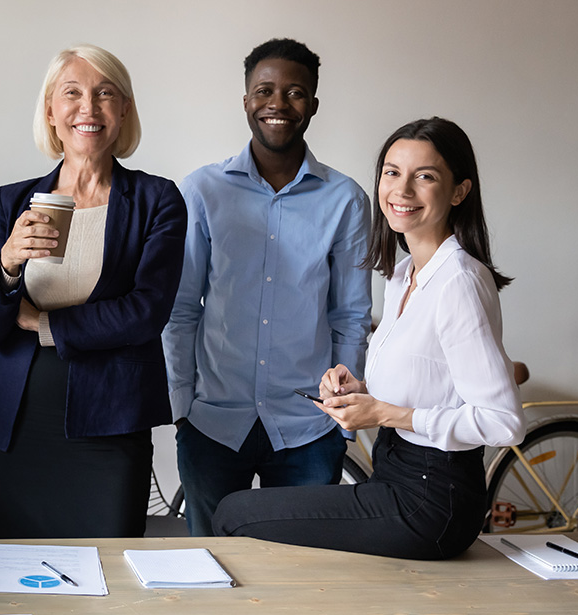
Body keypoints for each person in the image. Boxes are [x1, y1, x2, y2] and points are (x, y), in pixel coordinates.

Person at [212, 117, 526, 559]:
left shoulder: (458, 282)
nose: (402, 190)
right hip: (397, 476)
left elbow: (502, 422)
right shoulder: (404, 274)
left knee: (234, 514)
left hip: (432, 500)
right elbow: (431, 384)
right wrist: (360, 393)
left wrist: (384, 412)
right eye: (392, 173)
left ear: (459, 192)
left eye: (426, 176)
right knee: (243, 515)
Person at [0, 44, 186, 538]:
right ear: (50, 110)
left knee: (110, 576)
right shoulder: (10, 201)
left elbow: (146, 312)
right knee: (23, 575)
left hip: (110, 421)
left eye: (105, 93)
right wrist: (7, 263)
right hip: (17, 422)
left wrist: (42, 322)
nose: (88, 108)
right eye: (72, 93)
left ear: (124, 110)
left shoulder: (157, 199)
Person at [161, 37, 372, 537]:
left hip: (308, 426)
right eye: (264, 90)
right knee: (212, 565)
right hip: (212, 422)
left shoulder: (346, 199)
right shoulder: (202, 190)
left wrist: (342, 408)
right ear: (246, 101)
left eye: (294, 92)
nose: (278, 103)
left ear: (313, 105)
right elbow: (182, 307)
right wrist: (181, 406)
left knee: (302, 574)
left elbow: (350, 315)